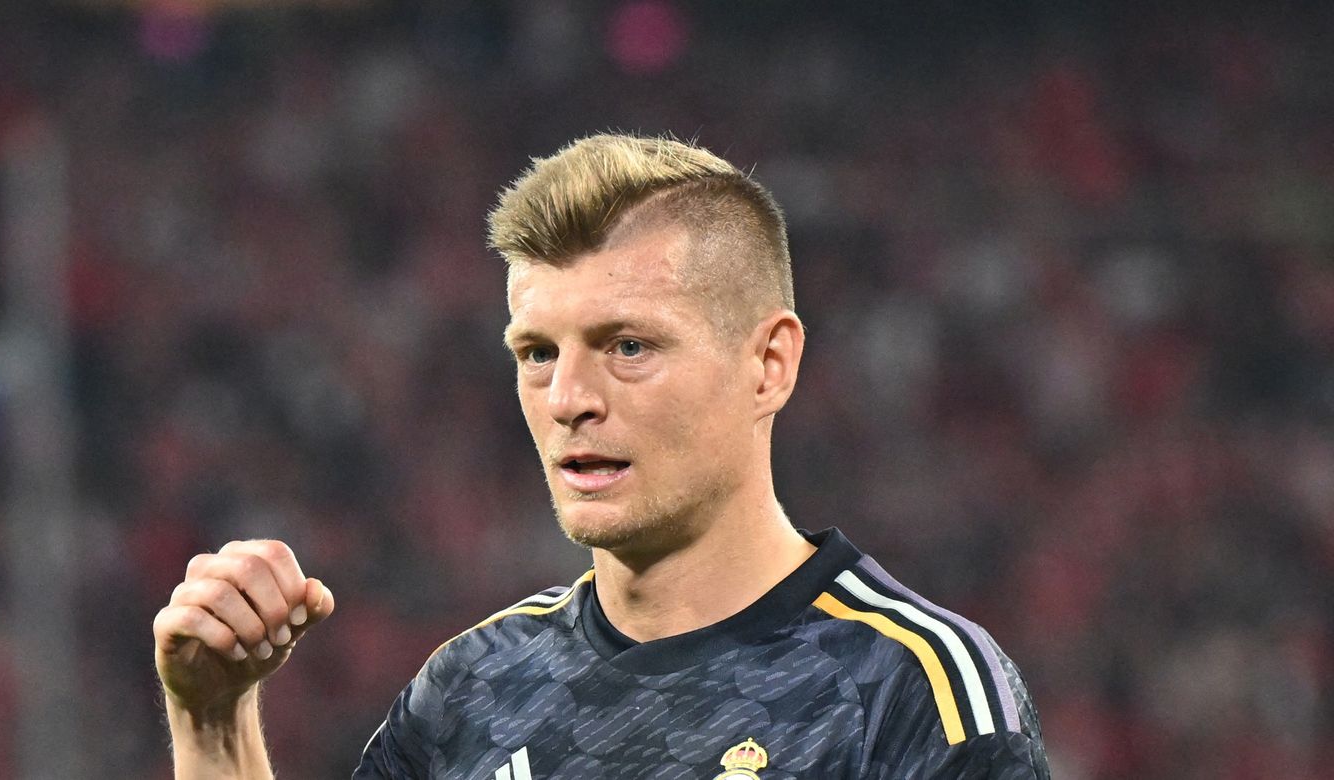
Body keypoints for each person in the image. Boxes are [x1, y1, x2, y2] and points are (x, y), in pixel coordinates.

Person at [153, 134, 1050, 778]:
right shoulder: (472, 689)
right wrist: (213, 723)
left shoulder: (911, 691)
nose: (568, 398)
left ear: (769, 364)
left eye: (628, 346)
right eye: (538, 353)